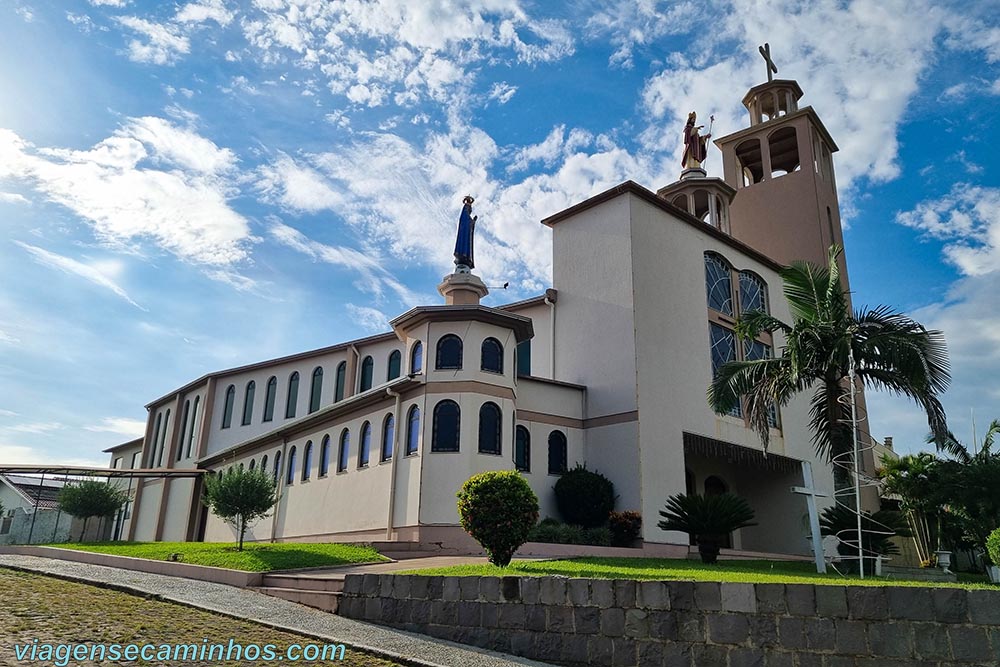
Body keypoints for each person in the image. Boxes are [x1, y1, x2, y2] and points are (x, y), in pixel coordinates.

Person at [454, 195, 477, 270]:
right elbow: (465, 222)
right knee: (462, 242)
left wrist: (473, 222)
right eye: (469, 209)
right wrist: (471, 221)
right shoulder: (464, 218)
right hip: (464, 233)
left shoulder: (467, 219)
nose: (470, 210)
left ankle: (466, 256)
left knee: (467, 243)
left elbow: (469, 224)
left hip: (467, 235)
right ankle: (462, 256)